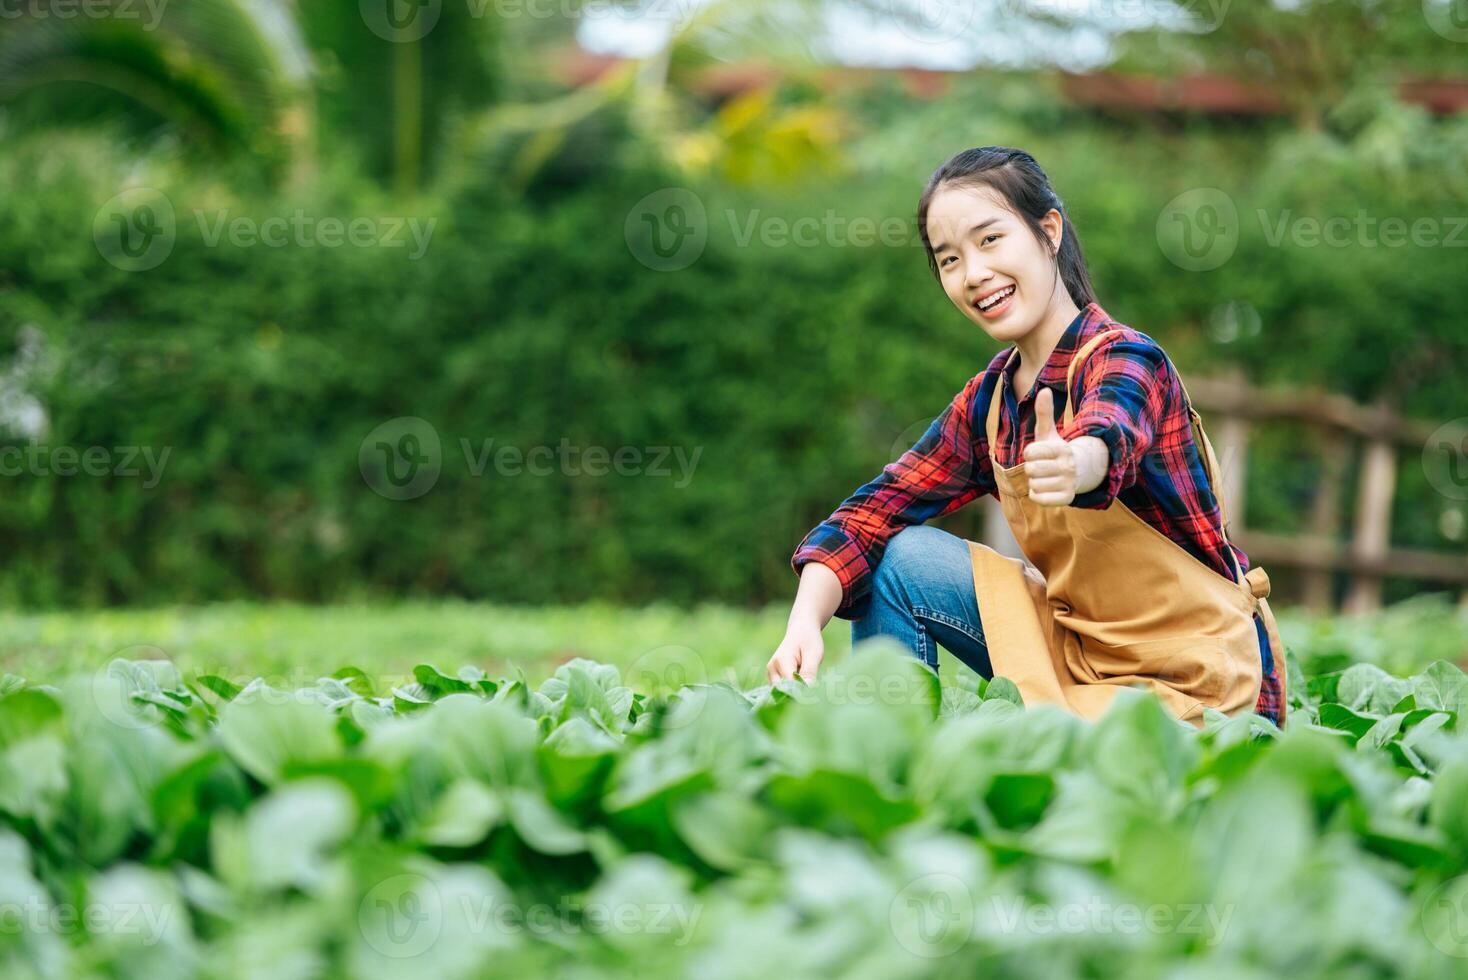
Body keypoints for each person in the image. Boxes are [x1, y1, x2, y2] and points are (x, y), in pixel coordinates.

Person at [766, 146, 1287, 727]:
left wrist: (1077, 462)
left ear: (1049, 231)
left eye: (990, 240)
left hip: (1193, 678)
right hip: (1075, 651)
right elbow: (875, 509)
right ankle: (889, 764)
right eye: (949, 259)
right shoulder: (988, 404)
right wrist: (804, 621)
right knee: (897, 556)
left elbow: (1111, 430)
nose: (974, 274)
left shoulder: (1127, 357)